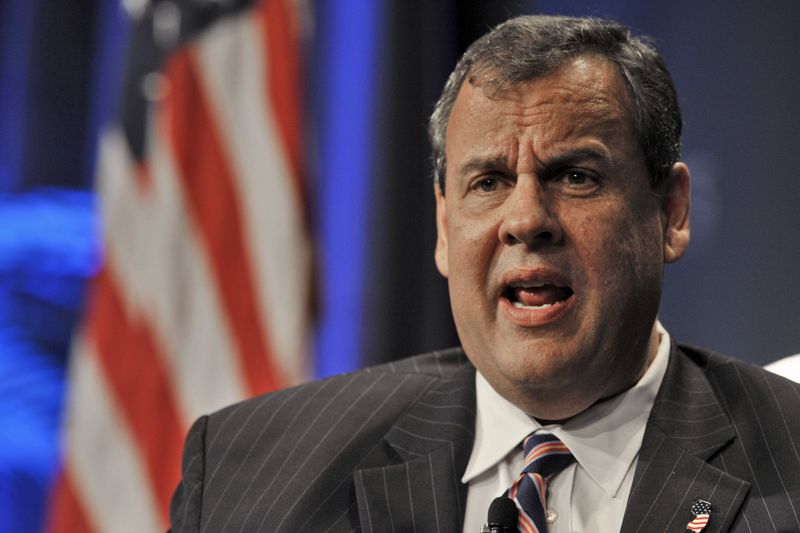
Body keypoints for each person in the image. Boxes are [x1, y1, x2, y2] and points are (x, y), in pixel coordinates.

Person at [169, 15, 800, 533]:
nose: (525, 219)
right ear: (444, 228)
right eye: (489, 182)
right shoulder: (246, 470)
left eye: (575, 176)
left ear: (670, 212)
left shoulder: (787, 457)